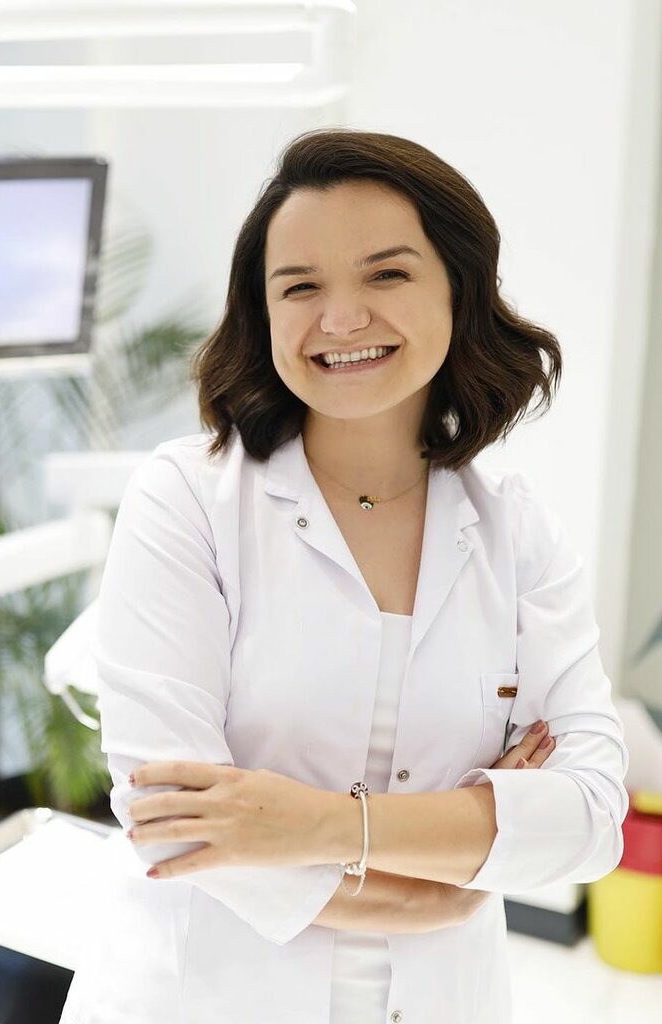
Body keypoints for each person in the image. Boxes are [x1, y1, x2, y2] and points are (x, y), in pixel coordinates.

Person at [58, 128, 629, 1024]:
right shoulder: (187, 499)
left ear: (459, 289)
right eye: (300, 287)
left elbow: (590, 818)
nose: (342, 318)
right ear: (264, 315)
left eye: (386, 274)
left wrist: (312, 825)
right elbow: (174, 823)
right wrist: (456, 862)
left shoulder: (517, 531)